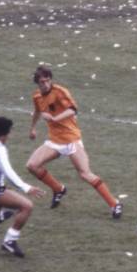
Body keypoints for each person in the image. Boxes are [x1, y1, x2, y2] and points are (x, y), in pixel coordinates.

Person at [26, 66, 123, 218]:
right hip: (55, 140)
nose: (45, 84)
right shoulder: (37, 96)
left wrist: (55, 119)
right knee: (32, 165)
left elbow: (73, 109)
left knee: (85, 174)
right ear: (37, 83)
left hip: (71, 139)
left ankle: (114, 204)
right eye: (41, 82)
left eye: (47, 80)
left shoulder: (59, 92)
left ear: (51, 80)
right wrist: (32, 128)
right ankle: (58, 189)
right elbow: (38, 111)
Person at [0, 117, 45, 258]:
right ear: (3, 134)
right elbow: (8, 172)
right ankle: (9, 241)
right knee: (27, 206)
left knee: (0, 202)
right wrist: (26, 188)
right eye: (9, 132)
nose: (10, 136)